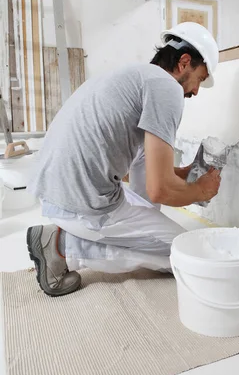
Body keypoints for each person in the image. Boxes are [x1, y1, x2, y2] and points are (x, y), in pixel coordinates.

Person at [27, 22, 221, 297]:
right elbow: (159, 189)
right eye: (200, 79)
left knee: (155, 230)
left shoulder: (135, 77)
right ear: (184, 62)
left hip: (55, 192)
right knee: (189, 254)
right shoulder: (167, 88)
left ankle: (72, 236)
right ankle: (62, 248)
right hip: (82, 203)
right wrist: (202, 190)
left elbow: (141, 167)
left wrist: (183, 173)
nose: (196, 91)